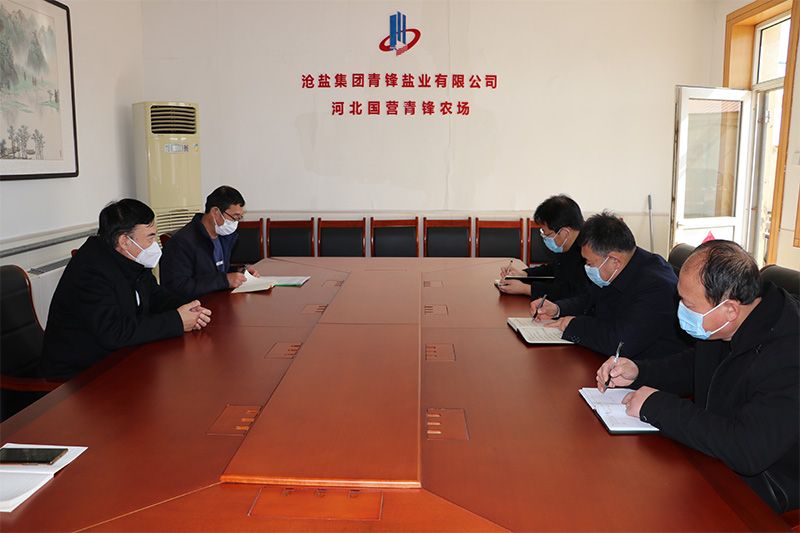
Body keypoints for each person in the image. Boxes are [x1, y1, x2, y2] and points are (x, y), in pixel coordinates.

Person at [596, 240, 798, 513]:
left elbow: (748, 449)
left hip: (767, 483)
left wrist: (657, 406)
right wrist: (639, 372)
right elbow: (694, 366)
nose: (680, 309)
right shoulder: (727, 322)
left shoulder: (789, 354)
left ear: (729, 310)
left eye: (687, 304)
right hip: (713, 452)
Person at [40, 199, 212, 379]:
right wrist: (176, 321)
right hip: (79, 376)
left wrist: (189, 308)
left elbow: (156, 296)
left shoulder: (131, 260)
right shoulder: (90, 271)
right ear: (124, 241)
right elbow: (113, 332)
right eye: (150, 237)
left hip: (118, 359)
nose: (155, 244)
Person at [533, 211, 691, 359]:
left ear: (614, 261)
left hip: (649, 368)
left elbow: (620, 343)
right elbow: (589, 299)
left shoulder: (656, 287)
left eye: (589, 263)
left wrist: (573, 324)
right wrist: (558, 308)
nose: (587, 267)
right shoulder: (619, 266)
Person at [161, 186, 259, 299]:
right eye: (235, 217)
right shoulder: (181, 242)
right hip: (195, 305)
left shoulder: (223, 236)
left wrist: (241, 272)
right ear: (215, 212)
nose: (236, 222)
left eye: (240, 217)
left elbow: (216, 271)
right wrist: (225, 280)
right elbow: (177, 287)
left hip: (219, 300)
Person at [497, 194, 589, 300]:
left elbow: (571, 292)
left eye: (546, 233)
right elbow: (554, 268)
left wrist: (526, 289)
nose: (544, 237)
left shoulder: (588, 252)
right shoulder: (568, 244)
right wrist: (524, 274)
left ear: (564, 233)